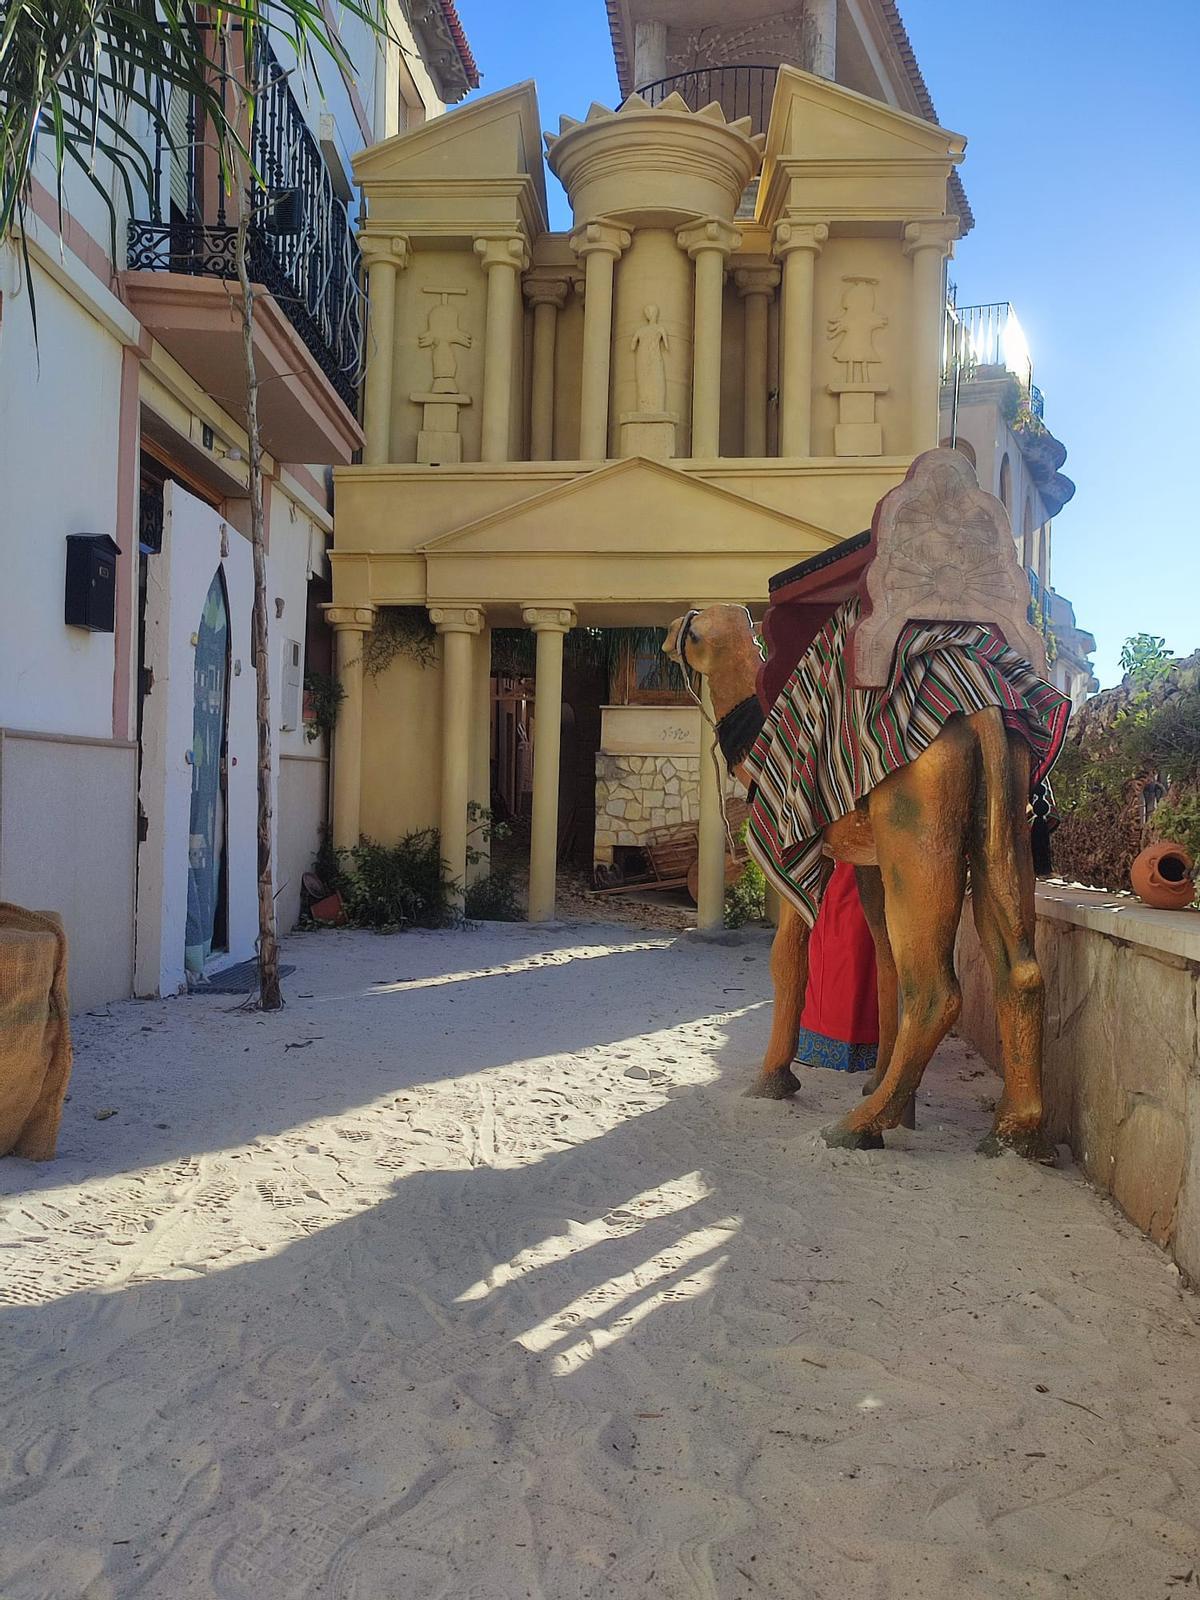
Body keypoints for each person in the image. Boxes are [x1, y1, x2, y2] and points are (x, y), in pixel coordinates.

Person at [794, 860, 880, 1073]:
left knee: (849, 965)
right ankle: (869, 1050)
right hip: (862, 892)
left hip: (850, 892)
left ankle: (828, 1047)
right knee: (858, 965)